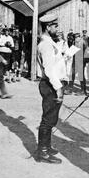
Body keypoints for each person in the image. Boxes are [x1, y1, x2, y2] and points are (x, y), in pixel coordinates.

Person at [35, 14, 67, 164]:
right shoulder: (46, 45)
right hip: (50, 85)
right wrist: (59, 88)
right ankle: (42, 152)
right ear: (48, 27)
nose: (57, 29)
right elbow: (48, 70)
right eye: (55, 26)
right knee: (48, 120)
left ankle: (46, 146)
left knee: (51, 118)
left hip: (52, 83)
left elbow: (54, 63)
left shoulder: (49, 42)